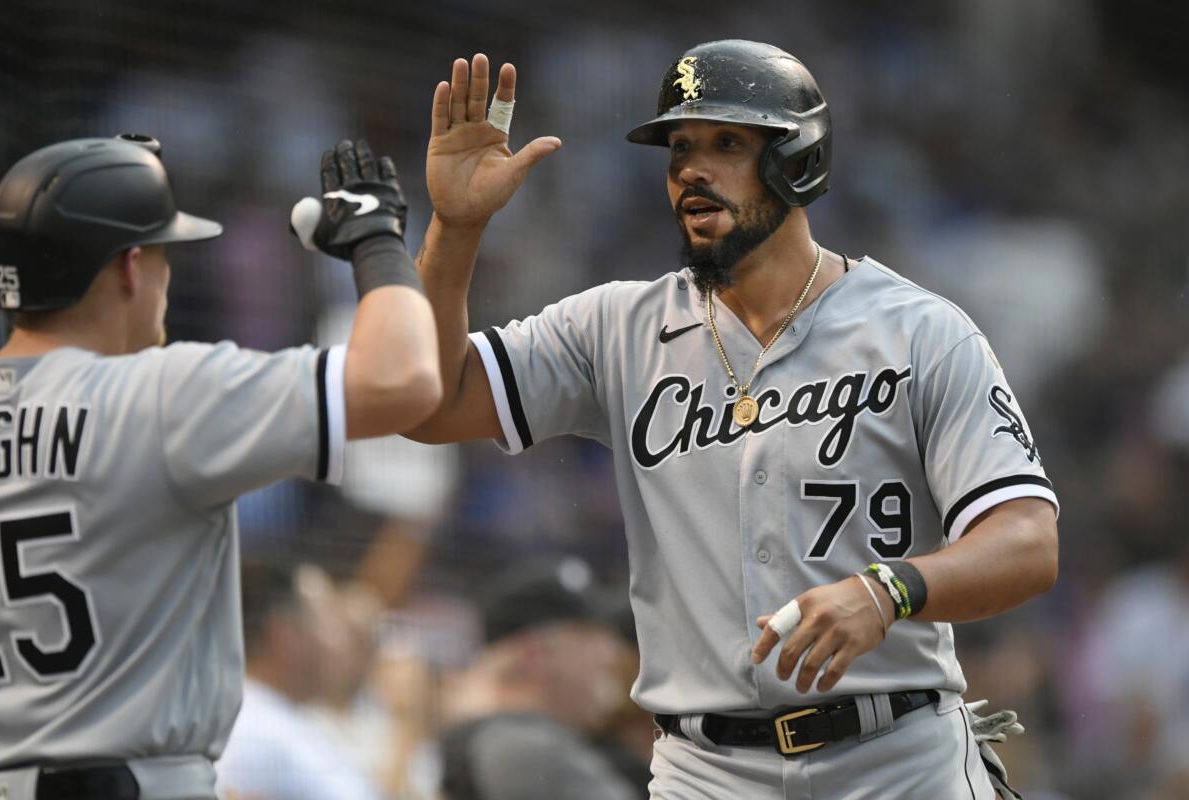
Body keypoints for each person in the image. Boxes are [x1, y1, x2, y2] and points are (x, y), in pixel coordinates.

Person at [407, 40, 1058, 799]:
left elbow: (1027, 542)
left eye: (726, 144)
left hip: (897, 761)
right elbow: (427, 401)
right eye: (679, 148)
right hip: (704, 772)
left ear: (799, 159)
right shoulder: (614, 327)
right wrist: (454, 232)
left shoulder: (920, 331)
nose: (691, 169)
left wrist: (890, 591)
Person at [0, 134, 439, 799]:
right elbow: (404, 380)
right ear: (131, 267)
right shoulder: (161, 392)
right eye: (167, 253)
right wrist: (378, 242)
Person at [440, 558, 638, 800]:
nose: (611, 655)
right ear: (537, 656)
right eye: (593, 637)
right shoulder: (526, 748)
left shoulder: (489, 741)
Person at [215, 559, 383, 800]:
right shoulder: (250, 730)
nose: (340, 642)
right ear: (286, 636)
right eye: (328, 622)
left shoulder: (277, 717)